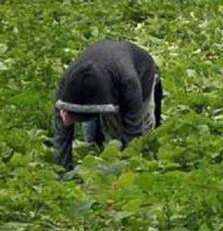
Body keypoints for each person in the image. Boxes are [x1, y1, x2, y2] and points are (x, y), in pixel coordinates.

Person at [53, 41, 163, 170]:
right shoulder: (66, 84)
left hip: (141, 76)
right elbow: (61, 138)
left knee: (142, 138)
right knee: (94, 141)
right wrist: (62, 173)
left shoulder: (128, 80)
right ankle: (97, 151)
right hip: (107, 78)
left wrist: (128, 172)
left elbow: (133, 133)